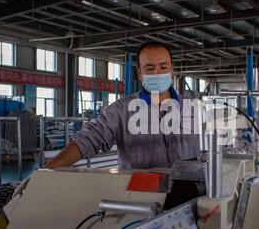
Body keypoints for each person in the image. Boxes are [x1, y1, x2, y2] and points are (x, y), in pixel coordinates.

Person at [45, 41, 200, 170]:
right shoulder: (121, 111)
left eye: (163, 67)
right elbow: (88, 139)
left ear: (171, 69)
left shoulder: (194, 108)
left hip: (193, 195)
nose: (157, 73)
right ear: (139, 73)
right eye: (150, 68)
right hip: (141, 198)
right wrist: (45, 173)